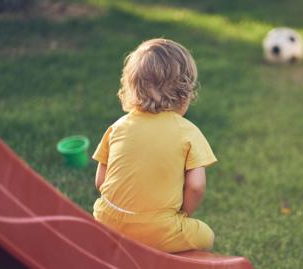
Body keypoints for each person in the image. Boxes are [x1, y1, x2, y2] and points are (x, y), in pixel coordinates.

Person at [92, 38, 217, 253]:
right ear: (184, 94)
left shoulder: (118, 127)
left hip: (106, 223)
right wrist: (183, 214)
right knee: (206, 235)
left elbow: (100, 181)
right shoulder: (188, 132)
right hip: (160, 231)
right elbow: (196, 186)